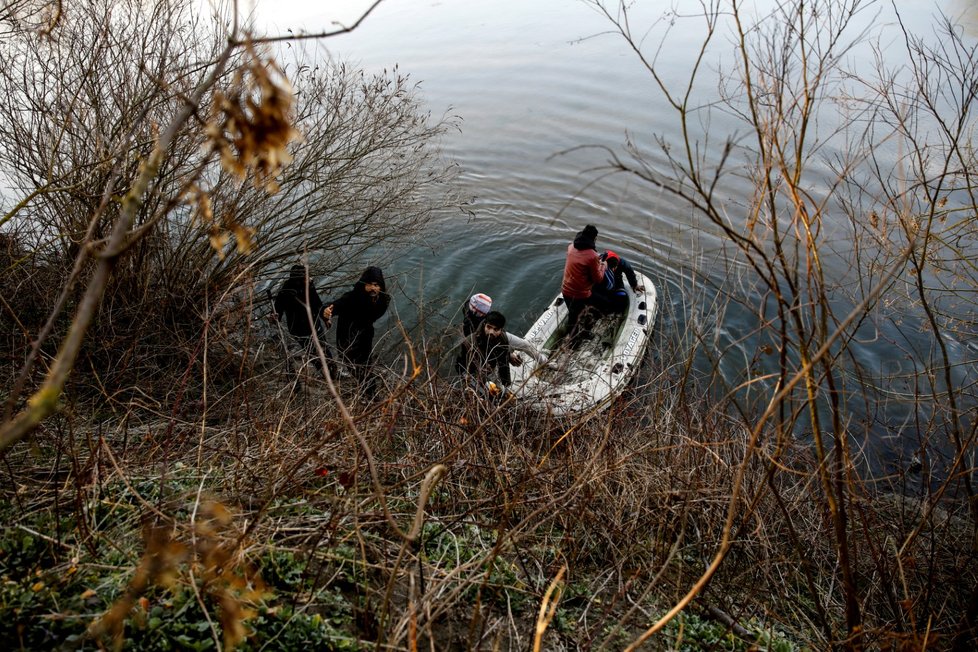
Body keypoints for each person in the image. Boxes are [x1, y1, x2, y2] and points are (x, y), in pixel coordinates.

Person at [323, 266, 390, 393]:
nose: (373, 288)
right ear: (363, 284)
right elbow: (332, 306)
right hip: (347, 338)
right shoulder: (351, 298)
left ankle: (369, 392)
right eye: (369, 284)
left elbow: (374, 315)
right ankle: (368, 391)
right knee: (354, 367)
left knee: (365, 367)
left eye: (376, 285)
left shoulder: (383, 300)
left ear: (380, 286)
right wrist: (326, 312)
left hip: (366, 336)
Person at [461, 311, 547, 394]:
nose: (491, 332)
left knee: (525, 344)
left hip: (492, 364)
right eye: (489, 327)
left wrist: (506, 383)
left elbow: (503, 364)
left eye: (496, 329)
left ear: (501, 330)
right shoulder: (470, 342)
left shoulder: (503, 338)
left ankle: (545, 362)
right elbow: (461, 367)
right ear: (484, 325)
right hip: (479, 372)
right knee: (491, 388)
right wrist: (477, 373)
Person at [274, 264, 337, 376]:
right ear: (300, 279)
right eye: (307, 277)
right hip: (299, 330)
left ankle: (332, 371)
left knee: (325, 350)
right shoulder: (286, 292)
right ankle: (323, 372)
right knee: (312, 353)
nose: (310, 279)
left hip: (315, 326)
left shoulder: (309, 287)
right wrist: (274, 317)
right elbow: (277, 312)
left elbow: (317, 305)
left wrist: (325, 319)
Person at [560, 224, 609, 344]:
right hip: (580, 294)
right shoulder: (593, 256)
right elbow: (598, 279)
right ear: (594, 238)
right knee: (590, 310)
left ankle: (571, 339)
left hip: (565, 290)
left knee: (573, 314)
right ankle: (580, 337)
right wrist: (603, 266)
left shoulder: (570, 247)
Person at [592, 250, 645, 314]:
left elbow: (629, 272)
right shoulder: (599, 262)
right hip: (602, 282)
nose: (614, 269)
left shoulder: (622, 263)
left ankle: (617, 311)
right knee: (600, 298)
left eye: (615, 268)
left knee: (622, 297)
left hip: (617, 280)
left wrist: (634, 285)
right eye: (612, 268)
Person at [454, 293, 493, 373]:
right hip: (471, 341)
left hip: (470, 336)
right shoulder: (471, 325)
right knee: (466, 357)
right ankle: (466, 372)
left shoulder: (468, 306)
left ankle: (464, 370)